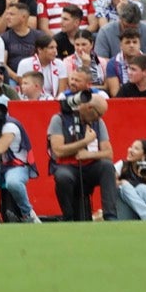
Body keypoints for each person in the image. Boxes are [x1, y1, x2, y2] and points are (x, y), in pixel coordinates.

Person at [49, 92, 118, 221]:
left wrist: (89, 154)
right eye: (99, 114)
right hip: (67, 166)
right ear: (89, 108)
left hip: (90, 167)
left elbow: (108, 154)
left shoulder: (99, 123)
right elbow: (58, 150)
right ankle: (68, 218)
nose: (99, 118)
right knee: (62, 177)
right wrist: (85, 141)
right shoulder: (59, 119)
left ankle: (110, 216)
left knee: (107, 167)